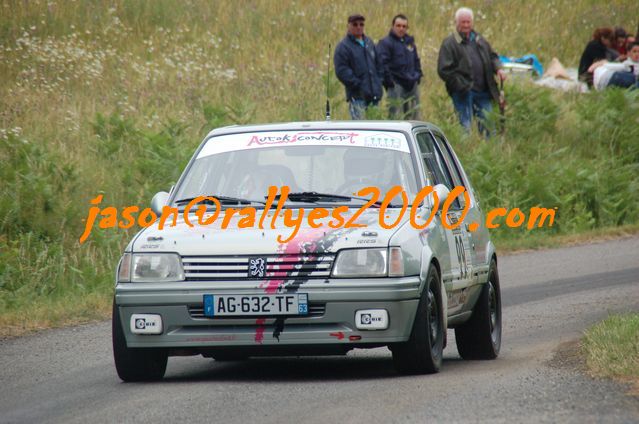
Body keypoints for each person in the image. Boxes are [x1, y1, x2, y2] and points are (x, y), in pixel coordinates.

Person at [437, 7, 506, 137]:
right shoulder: (450, 43)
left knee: (489, 127)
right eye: (463, 22)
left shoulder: (479, 39)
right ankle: (464, 154)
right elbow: (444, 70)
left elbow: (492, 56)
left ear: (472, 22)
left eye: (468, 22)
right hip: (463, 93)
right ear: (457, 23)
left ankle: (490, 154)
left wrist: (499, 69)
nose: (466, 25)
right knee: (465, 128)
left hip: (483, 92)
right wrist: (460, 85)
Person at [334, 14, 384, 120]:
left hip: (374, 95)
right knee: (360, 127)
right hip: (357, 97)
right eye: (355, 24)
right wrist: (358, 84)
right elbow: (341, 70)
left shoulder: (369, 43)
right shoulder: (343, 47)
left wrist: (379, 81)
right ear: (348, 26)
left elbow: (378, 64)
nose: (358, 27)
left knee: (376, 127)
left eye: (361, 24)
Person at [377, 14, 423, 120]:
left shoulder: (410, 43)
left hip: (412, 84)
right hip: (396, 84)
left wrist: (418, 76)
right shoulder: (385, 43)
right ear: (393, 26)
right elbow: (383, 64)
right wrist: (390, 82)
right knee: (395, 116)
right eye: (398, 25)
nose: (401, 29)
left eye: (404, 26)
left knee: (414, 116)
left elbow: (416, 60)